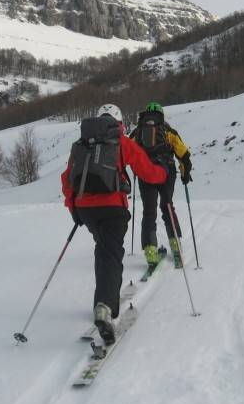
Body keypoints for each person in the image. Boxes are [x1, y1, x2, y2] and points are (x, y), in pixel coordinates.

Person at [61, 103, 167, 344]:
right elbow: (147, 171)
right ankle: (105, 307)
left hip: (85, 210)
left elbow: (68, 180)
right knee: (111, 255)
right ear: (119, 122)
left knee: (103, 249)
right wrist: (163, 172)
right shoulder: (121, 142)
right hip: (112, 208)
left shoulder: (81, 144)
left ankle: (105, 299)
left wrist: (73, 209)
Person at [128, 101, 192, 269]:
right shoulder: (168, 130)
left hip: (145, 174)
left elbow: (127, 152)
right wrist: (185, 173)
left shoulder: (137, 132)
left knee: (149, 211)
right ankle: (176, 248)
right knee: (167, 207)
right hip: (166, 173)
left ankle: (150, 252)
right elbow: (183, 154)